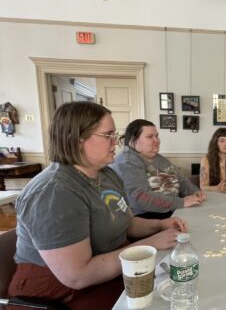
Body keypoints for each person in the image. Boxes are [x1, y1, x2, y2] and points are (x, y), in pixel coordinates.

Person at [8, 102, 188, 310]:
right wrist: (150, 244)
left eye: (115, 135)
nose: (116, 142)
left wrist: (161, 224)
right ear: (75, 139)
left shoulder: (107, 175)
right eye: (108, 135)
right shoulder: (54, 191)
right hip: (57, 293)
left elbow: (128, 224)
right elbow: (77, 276)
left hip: (109, 270)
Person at [111, 119, 206, 219]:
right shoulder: (126, 163)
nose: (156, 140)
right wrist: (182, 202)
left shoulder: (159, 158)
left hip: (175, 210)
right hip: (145, 218)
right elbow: (140, 197)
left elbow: (181, 180)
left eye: (156, 136)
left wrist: (195, 192)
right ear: (133, 140)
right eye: (149, 137)